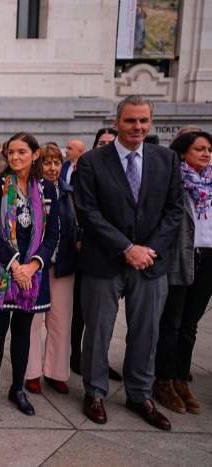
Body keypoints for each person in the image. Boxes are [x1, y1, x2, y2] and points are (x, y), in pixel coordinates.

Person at [75, 95, 183, 431]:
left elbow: (174, 211)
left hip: (150, 264)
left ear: (150, 122)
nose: (137, 127)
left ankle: (140, 394)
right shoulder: (93, 161)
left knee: (146, 332)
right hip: (104, 261)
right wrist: (125, 248)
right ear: (116, 121)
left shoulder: (167, 159)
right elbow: (88, 212)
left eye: (143, 121)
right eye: (130, 121)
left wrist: (147, 250)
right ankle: (94, 391)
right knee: (98, 331)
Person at [0, 132, 59, 416]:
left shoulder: (47, 188)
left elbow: (53, 236)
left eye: (21, 152)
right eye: (11, 152)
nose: (14, 157)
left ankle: (17, 389)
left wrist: (33, 266)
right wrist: (14, 265)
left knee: (24, 332)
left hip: (32, 273)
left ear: (35, 154)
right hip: (2, 269)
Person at [152, 130, 212, 415]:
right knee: (172, 322)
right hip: (180, 257)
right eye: (200, 148)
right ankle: (162, 380)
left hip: (207, 257)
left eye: (209, 149)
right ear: (184, 151)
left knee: (190, 324)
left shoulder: (210, 183)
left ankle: (180, 378)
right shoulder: (174, 181)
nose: (206, 153)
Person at [24, 144, 78, 395]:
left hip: (63, 266)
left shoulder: (69, 193)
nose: (53, 168)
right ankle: (31, 373)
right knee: (33, 322)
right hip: (36, 267)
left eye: (57, 162)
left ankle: (56, 373)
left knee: (60, 322)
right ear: (38, 165)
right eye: (47, 162)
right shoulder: (30, 191)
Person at [70, 127, 123, 382]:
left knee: (103, 316)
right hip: (86, 250)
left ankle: (98, 360)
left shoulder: (124, 172)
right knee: (80, 311)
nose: (104, 146)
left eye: (109, 142)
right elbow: (80, 210)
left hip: (116, 253)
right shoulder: (86, 169)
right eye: (100, 142)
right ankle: (75, 356)